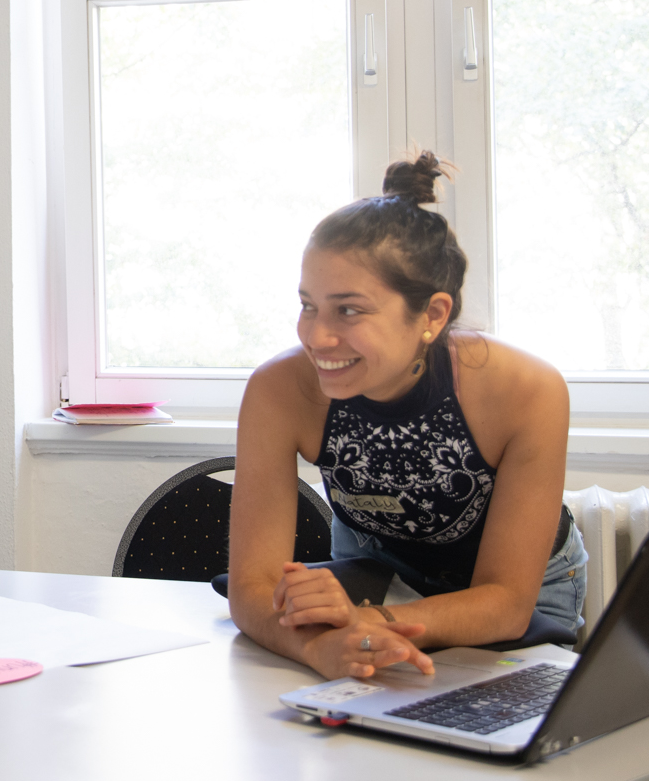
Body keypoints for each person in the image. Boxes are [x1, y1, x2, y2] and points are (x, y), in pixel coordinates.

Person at [228, 152, 587, 682]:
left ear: (433, 315)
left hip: (518, 604)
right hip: (377, 577)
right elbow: (252, 588)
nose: (316, 336)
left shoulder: (527, 390)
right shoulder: (277, 390)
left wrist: (365, 623)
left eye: (348, 310)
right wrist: (319, 649)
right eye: (309, 305)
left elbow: (506, 602)